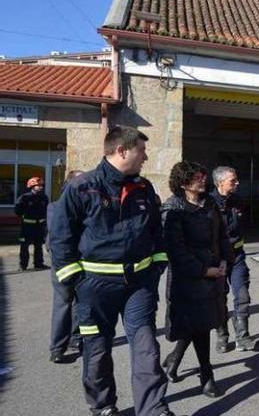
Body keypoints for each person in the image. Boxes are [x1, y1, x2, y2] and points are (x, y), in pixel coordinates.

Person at [49, 125, 176, 416]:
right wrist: (75, 280)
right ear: (121, 151)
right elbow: (60, 238)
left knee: (146, 349)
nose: (145, 157)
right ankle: (103, 406)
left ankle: (153, 408)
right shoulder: (82, 187)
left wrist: (157, 265)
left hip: (139, 285)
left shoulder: (144, 188)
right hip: (94, 287)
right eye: (141, 151)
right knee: (96, 350)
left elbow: (157, 232)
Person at [161, 161, 232, 398]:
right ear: (183, 183)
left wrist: (224, 260)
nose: (203, 180)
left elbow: (222, 235)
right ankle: (206, 375)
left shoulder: (210, 203)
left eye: (203, 175)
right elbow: (176, 251)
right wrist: (203, 271)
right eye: (197, 177)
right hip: (188, 280)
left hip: (213, 275)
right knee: (198, 327)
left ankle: (174, 360)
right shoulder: (172, 208)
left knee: (201, 325)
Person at [210, 166, 259, 353]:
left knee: (242, 296)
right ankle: (222, 337)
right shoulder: (208, 204)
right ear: (220, 182)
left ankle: (243, 338)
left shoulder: (238, 201)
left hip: (237, 257)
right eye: (233, 180)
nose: (237, 183)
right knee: (219, 299)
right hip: (217, 260)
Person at [48, 169, 85, 363]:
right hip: (63, 263)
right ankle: (57, 347)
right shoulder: (55, 206)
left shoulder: (84, 204)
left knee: (79, 302)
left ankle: (75, 338)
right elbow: (57, 238)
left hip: (82, 260)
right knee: (63, 303)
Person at [15, 176, 49, 271]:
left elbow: (46, 210)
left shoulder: (44, 197)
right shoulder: (25, 198)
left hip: (39, 226)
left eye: (42, 185)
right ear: (32, 186)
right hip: (27, 227)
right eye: (38, 185)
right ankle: (23, 265)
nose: (41, 187)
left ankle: (39, 264)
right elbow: (18, 211)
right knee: (24, 247)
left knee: (38, 246)